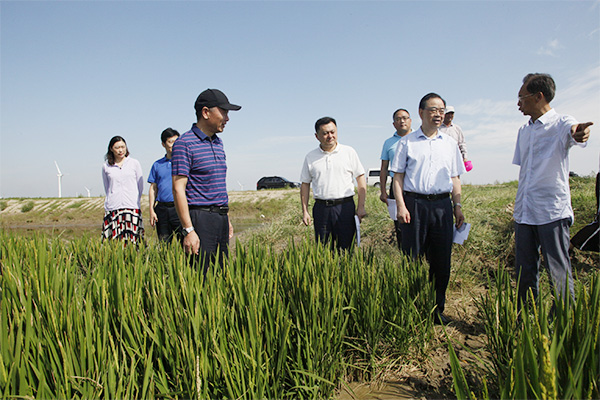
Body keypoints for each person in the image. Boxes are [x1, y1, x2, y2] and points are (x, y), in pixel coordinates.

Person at [513, 73, 593, 305]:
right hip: (525, 212)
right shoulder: (524, 131)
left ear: (539, 96)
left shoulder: (561, 123)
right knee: (524, 271)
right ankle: (526, 321)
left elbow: (575, 131)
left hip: (551, 212)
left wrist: (580, 132)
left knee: (558, 269)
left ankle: (564, 324)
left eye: (522, 97)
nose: (518, 103)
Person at [391, 93, 465, 324]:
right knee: (411, 257)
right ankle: (410, 307)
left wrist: (458, 206)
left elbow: (455, 177)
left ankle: (436, 309)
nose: (438, 114)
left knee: (442, 260)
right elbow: (398, 178)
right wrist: (401, 206)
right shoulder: (407, 143)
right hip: (415, 205)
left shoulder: (450, 144)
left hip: (442, 206)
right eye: (433, 110)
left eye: (441, 110)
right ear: (421, 113)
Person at [172, 89, 240, 274]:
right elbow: (178, 189)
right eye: (224, 112)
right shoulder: (184, 144)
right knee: (200, 275)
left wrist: (225, 217)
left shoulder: (218, 143)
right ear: (205, 112)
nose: (227, 118)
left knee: (221, 273)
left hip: (220, 218)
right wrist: (189, 230)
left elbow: (216, 185)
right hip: (199, 218)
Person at [300, 117, 367, 250]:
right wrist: (305, 211)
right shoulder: (310, 157)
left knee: (347, 249)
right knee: (324, 250)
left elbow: (360, 178)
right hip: (321, 209)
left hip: (345, 207)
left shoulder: (349, 152)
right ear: (317, 136)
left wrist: (361, 207)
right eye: (325, 133)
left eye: (332, 132)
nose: (330, 136)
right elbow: (305, 184)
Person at [379, 108, 412, 249]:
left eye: (405, 118)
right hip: (395, 185)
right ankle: (403, 252)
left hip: (414, 184)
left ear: (410, 121)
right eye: (398, 119)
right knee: (399, 221)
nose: (402, 121)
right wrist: (383, 190)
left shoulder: (418, 138)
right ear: (394, 124)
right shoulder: (388, 143)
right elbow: (384, 168)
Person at [101, 136, 144, 244]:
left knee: (133, 241)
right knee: (115, 243)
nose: (120, 150)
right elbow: (107, 187)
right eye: (117, 147)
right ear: (111, 149)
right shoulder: (106, 166)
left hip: (131, 207)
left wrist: (135, 200)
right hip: (113, 207)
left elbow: (140, 185)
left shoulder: (134, 163)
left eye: (122, 147)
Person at [148, 128, 182, 243]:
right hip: (162, 210)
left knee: (185, 244)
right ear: (163, 144)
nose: (174, 145)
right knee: (164, 244)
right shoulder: (157, 165)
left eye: (176, 141)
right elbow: (153, 188)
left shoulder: (184, 162)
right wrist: (151, 210)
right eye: (170, 142)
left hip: (179, 208)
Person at [440, 106, 472, 172]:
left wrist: (465, 157)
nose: (450, 116)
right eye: (448, 113)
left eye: (452, 114)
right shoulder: (438, 129)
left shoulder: (457, 129)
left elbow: (462, 143)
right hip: (441, 160)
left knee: (455, 179)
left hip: (455, 160)